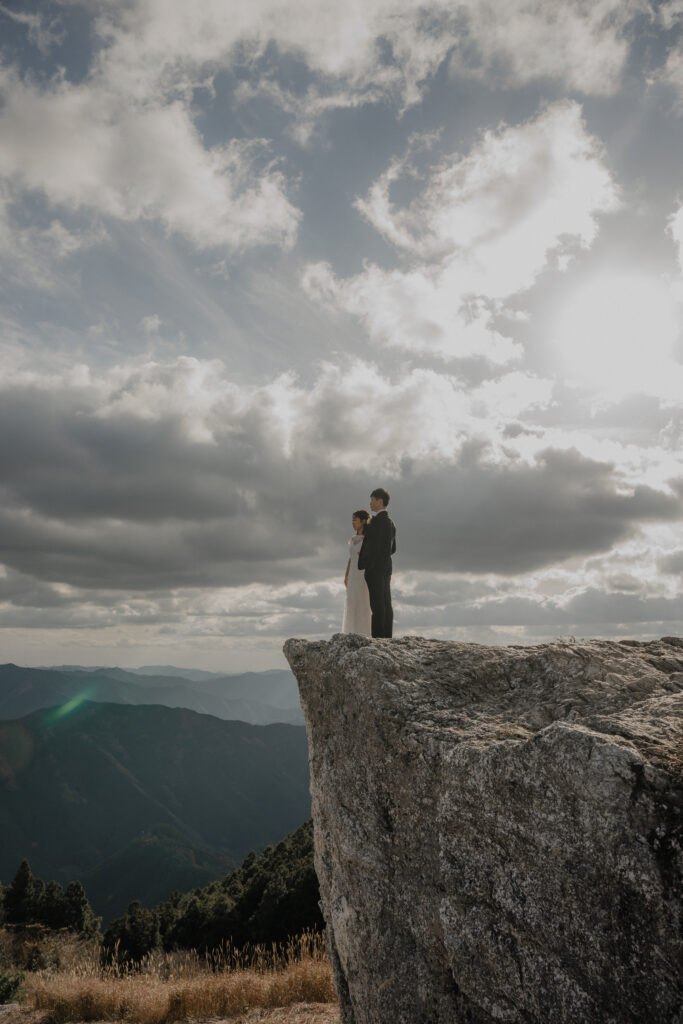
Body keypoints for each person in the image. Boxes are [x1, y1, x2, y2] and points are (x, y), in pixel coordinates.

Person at [358, 487, 396, 638]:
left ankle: (379, 638)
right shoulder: (390, 522)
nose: (370, 503)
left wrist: (370, 564)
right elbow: (393, 548)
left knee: (378, 605)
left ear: (380, 501)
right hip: (386, 567)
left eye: (372, 500)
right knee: (386, 603)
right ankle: (387, 636)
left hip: (376, 569)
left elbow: (376, 548)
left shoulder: (378, 522)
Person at [342, 509, 372, 636]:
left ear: (363, 521)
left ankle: (364, 633)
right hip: (352, 574)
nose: (353, 523)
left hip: (363, 574)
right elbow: (351, 558)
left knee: (362, 603)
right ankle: (350, 632)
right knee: (351, 602)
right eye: (352, 520)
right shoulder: (353, 539)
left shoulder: (368, 539)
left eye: (355, 520)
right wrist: (346, 575)